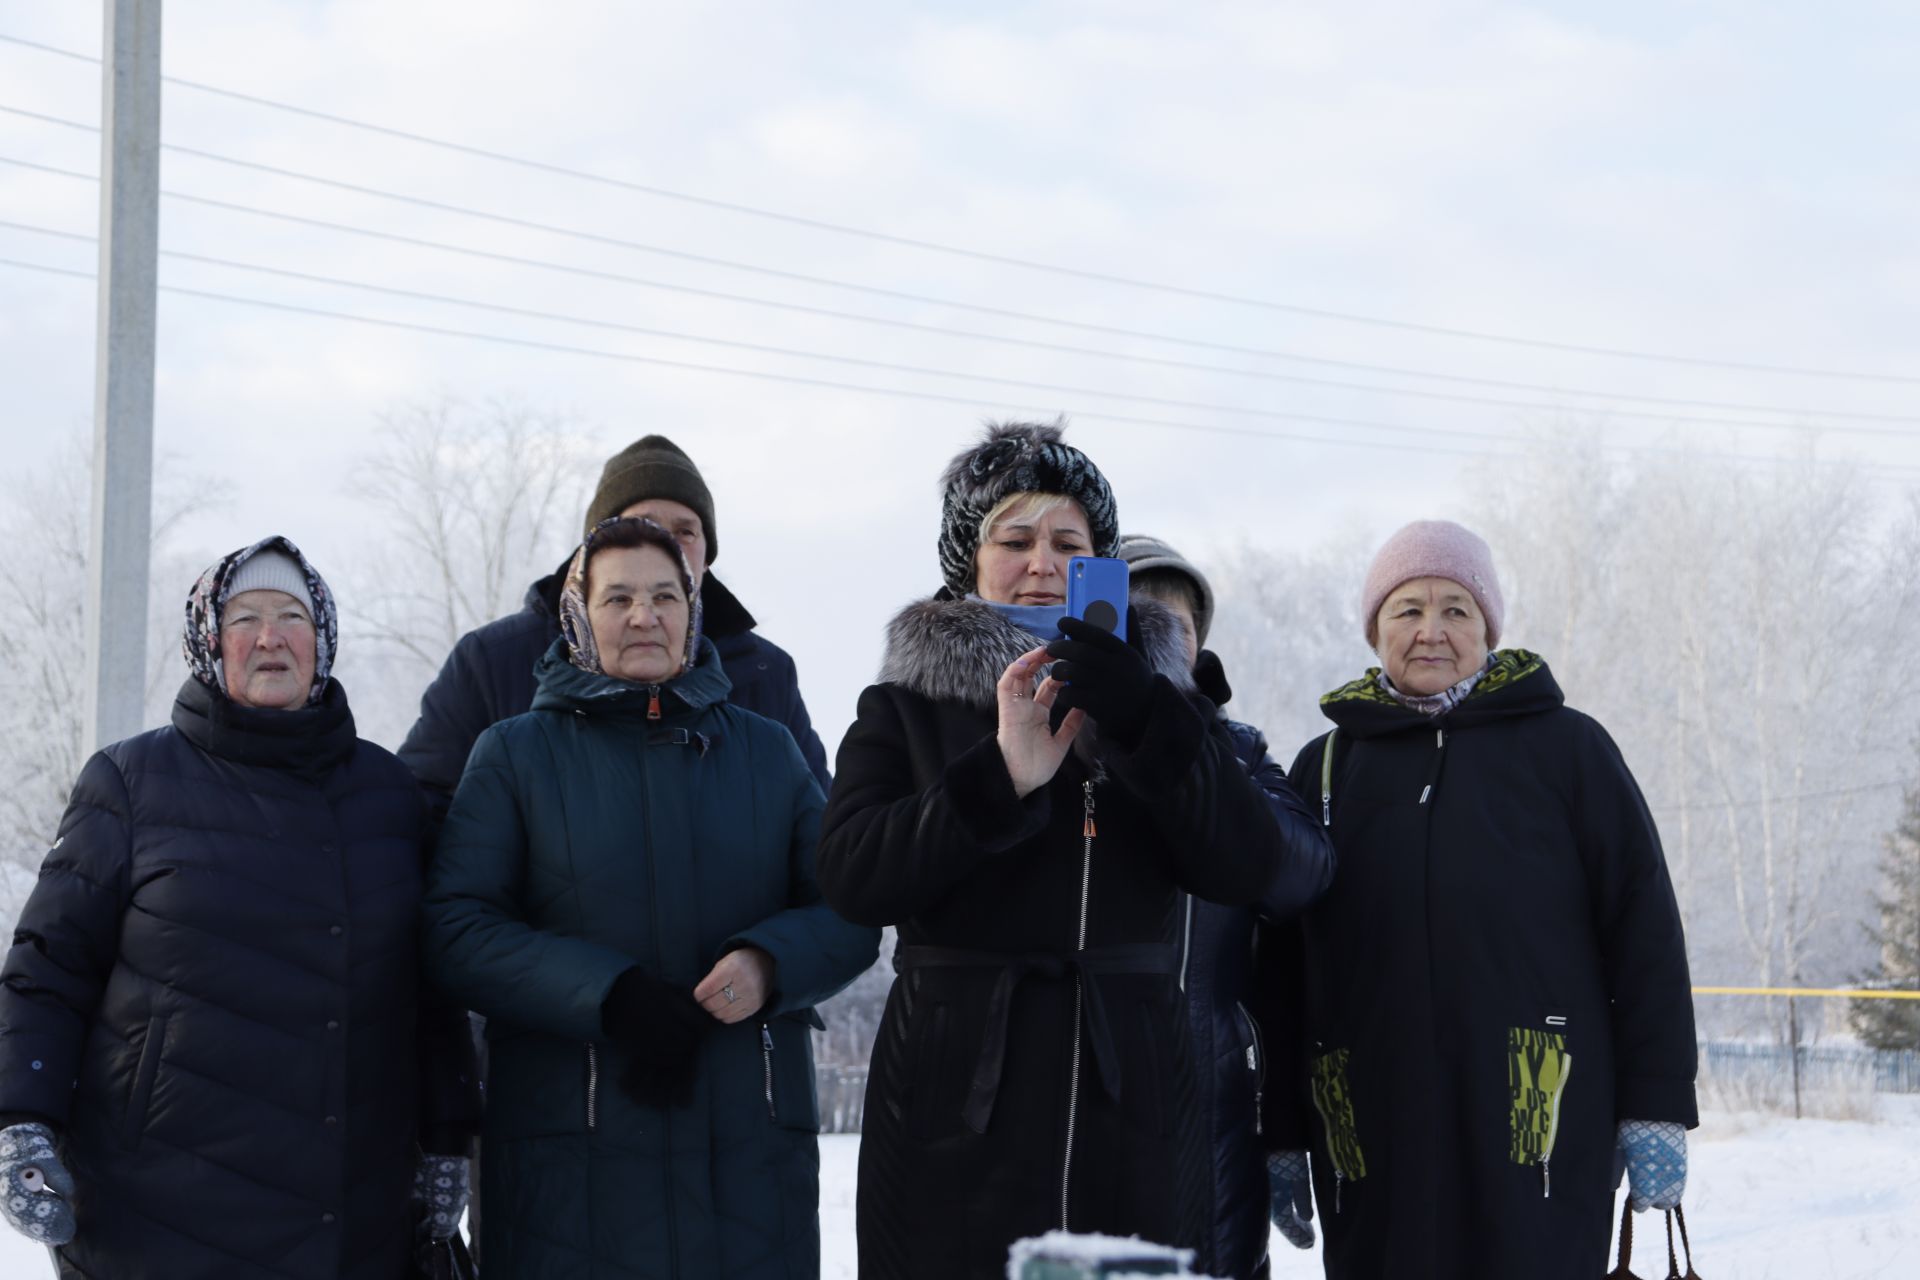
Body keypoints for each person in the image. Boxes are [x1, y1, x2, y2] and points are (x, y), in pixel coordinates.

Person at [817, 422, 1329, 1279]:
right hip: (955, 1088)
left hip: (1132, 1087)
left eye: (1068, 542)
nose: (1041, 563)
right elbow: (853, 876)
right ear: (967, 562)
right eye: (1013, 540)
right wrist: (1000, 776)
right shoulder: (903, 706)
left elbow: (1247, 866)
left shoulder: (1161, 704)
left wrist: (1147, 725)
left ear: (1102, 562)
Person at [0, 536, 477, 1279]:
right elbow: (48, 970)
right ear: (207, 641)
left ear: (322, 642)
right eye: (243, 617)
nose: (268, 637)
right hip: (157, 1210)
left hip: (350, 1213)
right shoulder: (129, 781)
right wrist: (20, 1120)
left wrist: (447, 1135)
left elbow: (430, 990)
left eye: (292, 616)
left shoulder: (389, 796)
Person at [421, 515, 879, 1278]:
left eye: (667, 595)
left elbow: (851, 906)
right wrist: (609, 993)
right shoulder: (514, 755)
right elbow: (456, 930)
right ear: (578, 615)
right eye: (618, 597)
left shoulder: (766, 751)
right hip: (571, 1166)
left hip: (749, 1162)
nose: (645, 616)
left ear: (693, 612)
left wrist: (770, 965)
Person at [1257, 519, 1697, 1280]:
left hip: (1539, 1130)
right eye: (1408, 609)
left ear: (1487, 626)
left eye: (1456, 609)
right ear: (1375, 629)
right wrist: (1283, 1130)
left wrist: (1657, 1101)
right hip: (1371, 1126)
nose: (1432, 631)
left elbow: (1643, 928)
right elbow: (1283, 966)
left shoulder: (1569, 750)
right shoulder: (1325, 767)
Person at [398, 432, 830, 811]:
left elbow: (819, 831)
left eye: (686, 531)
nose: (665, 543)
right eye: (642, 523)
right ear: (599, 546)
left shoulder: (763, 672)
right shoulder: (493, 660)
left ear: (707, 552)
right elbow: (424, 809)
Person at [1116, 533, 1333, 1280]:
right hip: (1084, 1100)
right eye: (1138, 616)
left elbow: (1301, 877)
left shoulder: (1236, 750)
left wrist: (1195, 745)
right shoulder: (1053, 744)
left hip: (1212, 1111)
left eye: (1177, 624)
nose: (1158, 638)